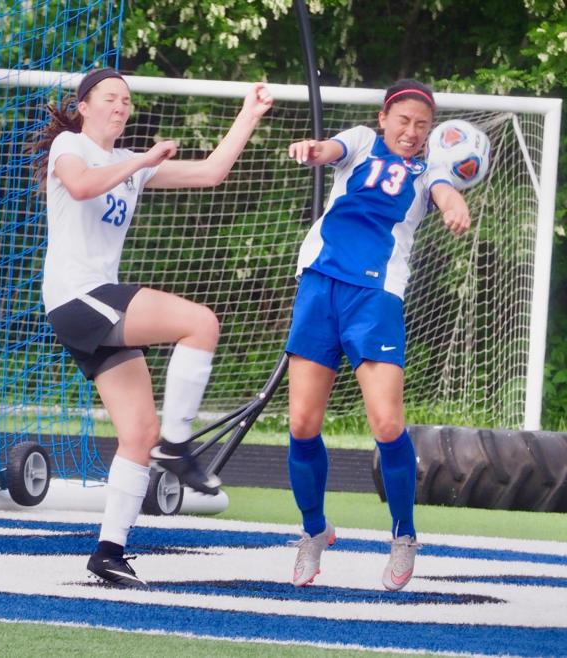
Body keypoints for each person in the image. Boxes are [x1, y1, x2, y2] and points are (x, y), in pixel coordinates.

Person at [30, 67, 273, 588]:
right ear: (85, 106)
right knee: (200, 323)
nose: (121, 106)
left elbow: (211, 173)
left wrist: (248, 115)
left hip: (94, 304)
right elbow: (78, 185)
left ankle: (109, 552)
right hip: (78, 298)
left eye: (126, 100)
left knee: (137, 433)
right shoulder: (72, 146)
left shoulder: (126, 163)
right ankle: (178, 446)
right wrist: (140, 161)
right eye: (110, 98)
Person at [285, 79, 470, 591]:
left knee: (387, 423)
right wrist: (313, 150)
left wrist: (453, 203)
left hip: (376, 296)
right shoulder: (364, 140)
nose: (411, 132)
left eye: (422, 125)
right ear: (385, 117)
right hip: (320, 284)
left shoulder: (431, 164)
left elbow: (442, 188)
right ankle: (314, 531)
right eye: (404, 121)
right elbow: (331, 150)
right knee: (302, 422)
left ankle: (404, 535)